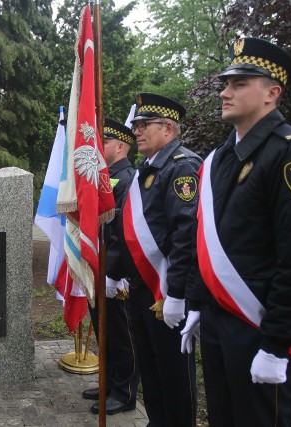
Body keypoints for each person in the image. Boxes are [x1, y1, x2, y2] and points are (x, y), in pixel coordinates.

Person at [182, 37, 291, 427]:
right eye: (225, 83)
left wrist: (276, 344)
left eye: (238, 84)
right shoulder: (220, 158)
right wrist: (199, 304)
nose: (224, 92)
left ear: (272, 93)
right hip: (220, 320)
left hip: (258, 326)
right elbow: (209, 239)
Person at [109, 93, 200, 426]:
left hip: (167, 289)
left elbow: (184, 236)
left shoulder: (182, 166)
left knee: (174, 373)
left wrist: (176, 293)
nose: (137, 131)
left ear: (169, 128)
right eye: (136, 125)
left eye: (145, 125)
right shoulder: (148, 168)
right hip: (144, 287)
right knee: (151, 366)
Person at [83, 118, 140, 415]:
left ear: (120, 147)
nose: (97, 147)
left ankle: (125, 392)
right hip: (97, 266)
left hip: (114, 275)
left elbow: (120, 232)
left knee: (121, 335)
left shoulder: (127, 178)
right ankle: (108, 382)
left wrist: (112, 273)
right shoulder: (103, 177)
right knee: (103, 330)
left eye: (103, 143)